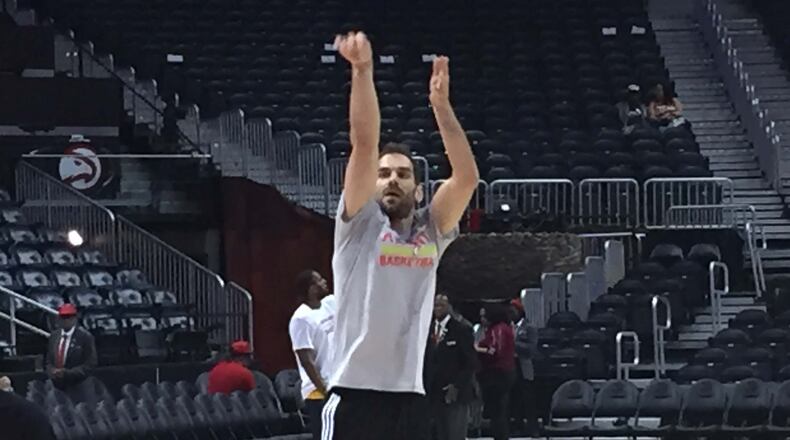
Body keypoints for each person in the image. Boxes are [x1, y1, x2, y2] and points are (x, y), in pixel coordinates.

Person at [321, 31, 479, 440]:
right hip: (353, 392)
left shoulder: (432, 229)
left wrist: (441, 108)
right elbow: (363, 142)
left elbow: (466, 177)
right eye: (384, 173)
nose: (392, 179)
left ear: (419, 188)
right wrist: (362, 70)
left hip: (409, 394)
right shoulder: (358, 225)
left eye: (403, 174)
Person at [289, 270, 335, 440]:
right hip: (318, 392)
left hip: (336, 384)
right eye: (319, 281)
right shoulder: (301, 318)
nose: (324, 282)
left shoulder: (330, 303)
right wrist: (324, 389)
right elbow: (306, 359)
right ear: (310, 289)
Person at [426, 294, 477, 440]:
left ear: (449, 307)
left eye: (441, 305)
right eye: (435, 305)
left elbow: (471, 362)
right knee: (439, 433)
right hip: (434, 391)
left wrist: (457, 385)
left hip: (455, 392)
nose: (438, 308)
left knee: (454, 433)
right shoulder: (427, 329)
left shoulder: (461, 330)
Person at [475, 304, 516, 440]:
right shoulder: (500, 329)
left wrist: (476, 349)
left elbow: (494, 352)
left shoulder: (498, 330)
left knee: (497, 412)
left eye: (483, 316)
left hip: (497, 375)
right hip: (502, 373)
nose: (482, 319)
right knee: (498, 412)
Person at [46, 304, 97, 403]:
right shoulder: (54, 336)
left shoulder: (85, 337)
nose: (65, 320)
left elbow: (91, 364)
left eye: (68, 317)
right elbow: (48, 360)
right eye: (63, 317)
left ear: (75, 318)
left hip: (79, 388)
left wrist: (67, 373)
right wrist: (52, 371)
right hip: (58, 387)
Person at [513, 302, 539, 437]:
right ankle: (517, 427)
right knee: (514, 398)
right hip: (510, 367)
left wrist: (513, 342)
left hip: (524, 366)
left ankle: (532, 428)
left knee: (528, 399)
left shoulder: (530, 327)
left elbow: (531, 349)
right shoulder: (507, 327)